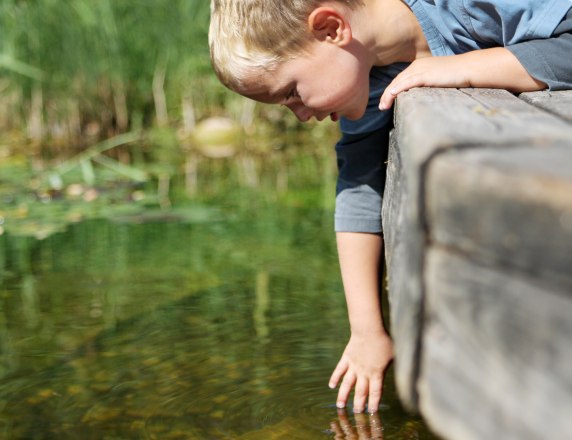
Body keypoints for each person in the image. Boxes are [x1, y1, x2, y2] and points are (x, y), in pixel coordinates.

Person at [208, 0, 572, 414]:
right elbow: (359, 184)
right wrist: (366, 331)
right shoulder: (378, 77)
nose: (302, 114)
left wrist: (469, 66)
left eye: (292, 93)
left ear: (331, 28)